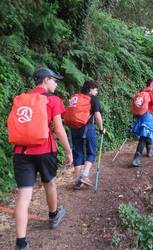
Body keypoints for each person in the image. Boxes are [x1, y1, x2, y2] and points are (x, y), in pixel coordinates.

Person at [10, 67, 73, 250]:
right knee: (49, 183)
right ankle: (53, 216)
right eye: (54, 80)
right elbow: (59, 129)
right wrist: (68, 150)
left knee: (23, 196)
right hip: (45, 151)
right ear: (46, 80)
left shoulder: (22, 99)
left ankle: (21, 243)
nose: (56, 84)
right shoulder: (52, 100)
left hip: (21, 152)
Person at [70, 80, 105, 189]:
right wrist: (101, 129)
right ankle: (84, 176)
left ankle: (77, 179)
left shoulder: (75, 98)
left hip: (73, 128)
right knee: (91, 151)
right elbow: (98, 116)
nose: (96, 92)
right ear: (90, 89)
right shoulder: (92, 99)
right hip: (87, 127)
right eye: (95, 89)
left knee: (78, 152)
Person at [132, 78, 153, 167]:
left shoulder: (142, 91)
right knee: (144, 137)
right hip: (147, 117)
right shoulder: (152, 93)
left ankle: (149, 151)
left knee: (148, 134)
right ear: (152, 84)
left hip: (140, 116)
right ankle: (136, 158)